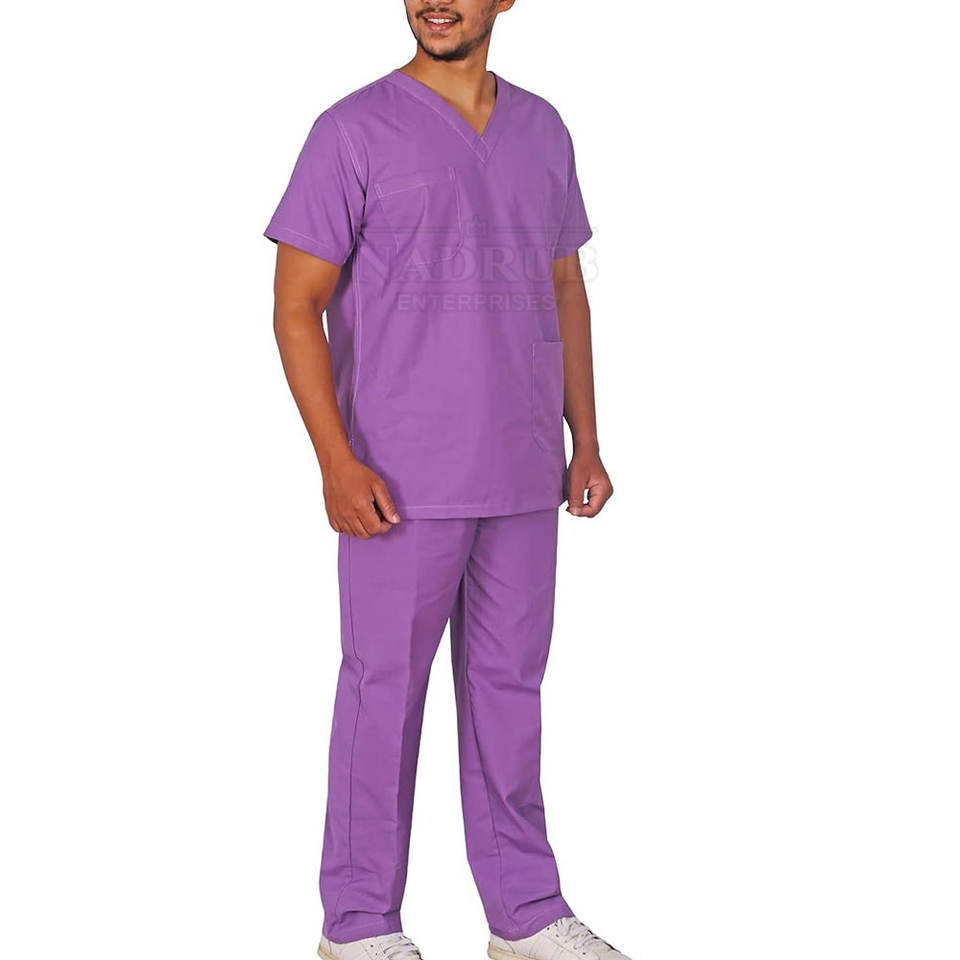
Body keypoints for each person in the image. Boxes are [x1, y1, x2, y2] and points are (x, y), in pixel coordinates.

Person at [266, 2, 622, 958]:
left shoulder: (542, 129)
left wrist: (585, 438)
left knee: (511, 693)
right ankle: (358, 927)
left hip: (522, 472)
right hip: (397, 478)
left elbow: (564, 285)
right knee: (383, 695)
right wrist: (335, 460)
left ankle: (526, 914)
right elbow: (296, 306)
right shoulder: (351, 132)